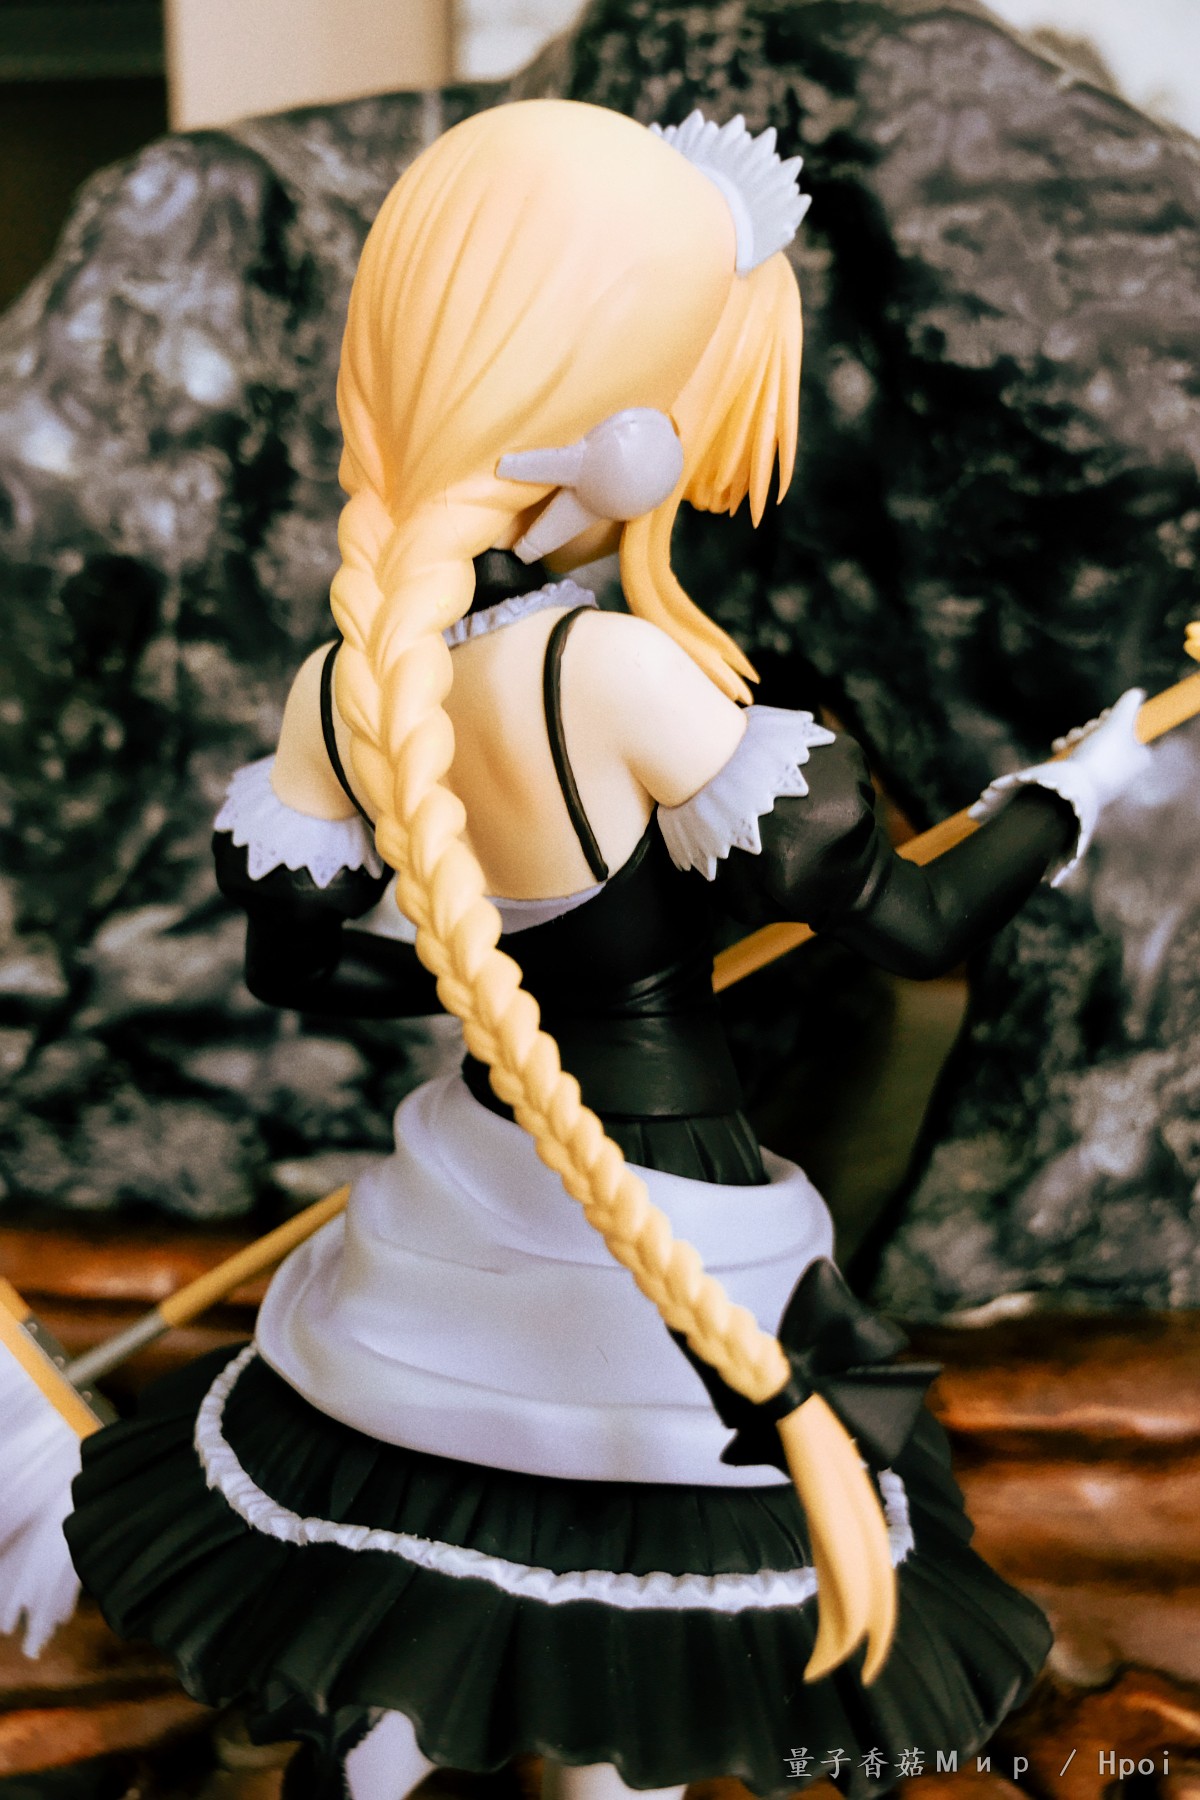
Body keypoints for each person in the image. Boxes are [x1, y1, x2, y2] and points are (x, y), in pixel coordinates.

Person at [67, 99, 1151, 1800]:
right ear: (624, 426)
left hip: (475, 1175)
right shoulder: (618, 676)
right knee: (640, 1631)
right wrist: (1075, 789)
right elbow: (919, 923)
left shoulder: (339, 690)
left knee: (427, 1549)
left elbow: (297, 969)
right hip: (659, 1198)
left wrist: (493, 983)